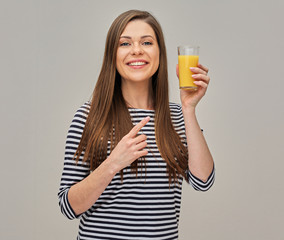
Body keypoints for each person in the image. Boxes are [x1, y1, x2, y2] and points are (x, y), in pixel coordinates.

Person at [58, 9, 215, 240]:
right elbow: (67, 206)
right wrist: (112, 164)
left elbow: (203, 181)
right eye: (125, 43)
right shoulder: (89, 116)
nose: (137, 50)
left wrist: (189, 109)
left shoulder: (178, 117)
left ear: (160, 52)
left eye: (147, 42)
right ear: (112, 54)